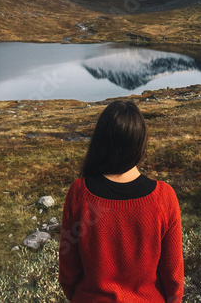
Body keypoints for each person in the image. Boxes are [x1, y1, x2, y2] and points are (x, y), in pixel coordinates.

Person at [58, 100, 184, 302]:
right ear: (140, 142)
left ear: (100, 141)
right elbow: (174, 280)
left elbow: (68, 272)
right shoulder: (164, 197)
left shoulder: (79, 193)